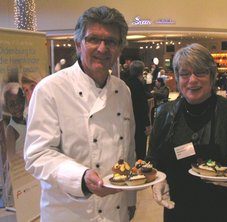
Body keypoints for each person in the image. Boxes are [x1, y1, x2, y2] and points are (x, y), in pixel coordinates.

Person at [24, 6, 136, 222]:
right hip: (70, 212)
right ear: (78, 44)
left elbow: (128, 149)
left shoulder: (123, 90)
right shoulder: (50, 89)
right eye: (93, 39)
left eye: (111, 41)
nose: (102, 49)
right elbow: (37, 155)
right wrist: (82, 177)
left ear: (120, 49)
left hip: (116, 211)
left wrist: (129, 202)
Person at [146, 43, 227, 222]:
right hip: (179, 210)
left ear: (212, 76)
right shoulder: (164, 114)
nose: (192, 80)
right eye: (184, 73)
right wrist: (157, 180)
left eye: (200, 72)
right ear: (176, 77)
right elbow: (153, 160)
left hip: (226, 210)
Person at [2, 82, 26, 207]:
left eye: (19, 102)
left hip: (29, 167)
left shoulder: (28, 120)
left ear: (24, 100)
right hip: (19, 169)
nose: (17, 107)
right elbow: (11, 157)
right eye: (12, 105)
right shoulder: (11, 129)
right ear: (7, 107)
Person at [126, 60, 151, 160]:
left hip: (127, 120)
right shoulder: (138, 84)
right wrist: (147, 124)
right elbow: (142, 106)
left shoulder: (125, 83)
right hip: (139, 121)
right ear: (141, 71)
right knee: (140, 147)